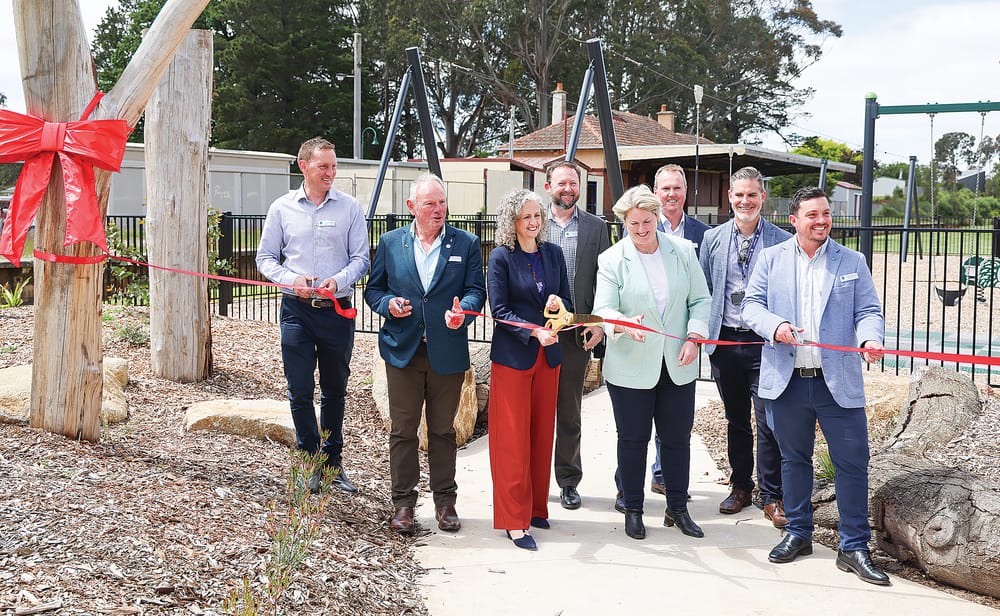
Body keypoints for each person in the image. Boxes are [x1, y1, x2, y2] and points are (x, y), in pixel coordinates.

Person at [742, 186, 889, 586]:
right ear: (794, 220)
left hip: (837, 382)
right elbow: (751, 306)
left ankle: (855, 546)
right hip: (787, 383)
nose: (822, 221)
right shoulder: (771, 259)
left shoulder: (852, 260)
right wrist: (777, 326)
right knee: (793, 461)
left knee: (852, 463)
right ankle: (798, 532)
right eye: (813, 215)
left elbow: (869, 311)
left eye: (826, 214)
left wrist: (869, 339)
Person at [363, 173, 486, 536]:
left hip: (446, 354)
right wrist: (389, 305)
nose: (438, 209)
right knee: (403, 432)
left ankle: (445, 504)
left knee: (443, 431)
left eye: (442, 202)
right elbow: (374, 291)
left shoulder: (466, 243)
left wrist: (463, 309)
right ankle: (403, 505)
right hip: (403, 353)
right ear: (411, 207)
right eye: (430, 203)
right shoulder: (390, 243)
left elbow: (476, 291)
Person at [594, 185, 711, 541]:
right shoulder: (612, 259)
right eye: (633, 224)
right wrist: (626, 325)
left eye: (647, 221)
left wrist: (694, 337)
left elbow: (701, 299)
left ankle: (677, 508)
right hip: (631, 365)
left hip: (678, 362)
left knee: (676, 439)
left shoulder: (683, 252)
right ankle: (633, 508)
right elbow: (604, 309)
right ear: (624, 223)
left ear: (657, 218)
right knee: (633, 440)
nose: (642, 230)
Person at [256, 136, 370, 494]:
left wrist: (339, 281)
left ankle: (333, 464)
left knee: (335, 391)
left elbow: (361, 260)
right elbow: (265, 260)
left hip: (337, 313)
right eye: (323, 166)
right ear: (303, 165)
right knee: (300, 389)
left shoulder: (350, 208)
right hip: (296, 312)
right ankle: (310, 461)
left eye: (334, 166)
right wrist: (292, 280)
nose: (330, 173)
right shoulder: (281, 209)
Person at [698, 166, 790, 526]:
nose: (745, 201)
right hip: (725, 341)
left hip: (764, 343)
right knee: (736, 420)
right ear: (730, 198)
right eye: (739, 195)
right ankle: (740, 487)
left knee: (769, 419)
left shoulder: (782, 240)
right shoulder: (713, 239)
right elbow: (705, 289)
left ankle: (772, 495)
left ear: (762, 198)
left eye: (752, 194)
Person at [488, 188, 571, 551]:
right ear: (513, 221)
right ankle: (513, 520)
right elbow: (500, 310)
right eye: (527, 217)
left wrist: (557, 303)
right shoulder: (501, 258)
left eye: (538, 215)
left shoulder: (552, 254)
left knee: (541, 436)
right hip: (514, 358)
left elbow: (566, 298)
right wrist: (532, 331)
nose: (535, 222)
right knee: (512, 441)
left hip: (548, 358)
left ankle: (536, 508)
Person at [543, 161, 610, 510]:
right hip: (537, 332)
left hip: (576, 333)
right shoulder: (533, 222)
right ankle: (533, 478)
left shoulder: (597, 229)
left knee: (569, 411)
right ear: (547, 186)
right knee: (534, 410)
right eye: (561, 183)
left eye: (573, 183)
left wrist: (598, 323)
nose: (567, 188)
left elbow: (607, 281)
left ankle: (568, 480)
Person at [643, 164, 710, 496]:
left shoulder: (702, 235)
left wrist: (696, 335)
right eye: (665, 188)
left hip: (684, 340)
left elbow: (704, 290)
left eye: (677, 188)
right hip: (646, 336)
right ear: (656, 192)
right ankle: (640, 478)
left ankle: (666, 471)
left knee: (675, 412)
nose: (671, 194)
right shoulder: (640, 227)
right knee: (642, 412)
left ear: (686, 192)